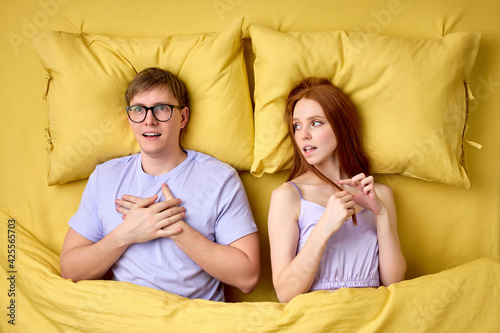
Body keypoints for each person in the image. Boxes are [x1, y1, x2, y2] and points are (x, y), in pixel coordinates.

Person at [60, 67, 260, 302]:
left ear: (183, 117)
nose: (149, 120)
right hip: (126, 318)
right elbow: (70, 270)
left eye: (161, 109)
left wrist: (174, 228)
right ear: (130, 119)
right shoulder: (104, 177)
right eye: (138, 110)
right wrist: (126, 233)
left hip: (194, 319)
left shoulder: (220, 178)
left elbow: (248, 277)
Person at [267, 77, 406, 303]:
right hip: (318, 319)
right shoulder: (287, 196)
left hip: (373, 315)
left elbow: (395, 283)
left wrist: (381, 215)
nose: (303, 135)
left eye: (316, 123)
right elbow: (285, 293)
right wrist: (324, 226)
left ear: (341, 125)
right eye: (297, 125)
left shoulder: (379, 194)